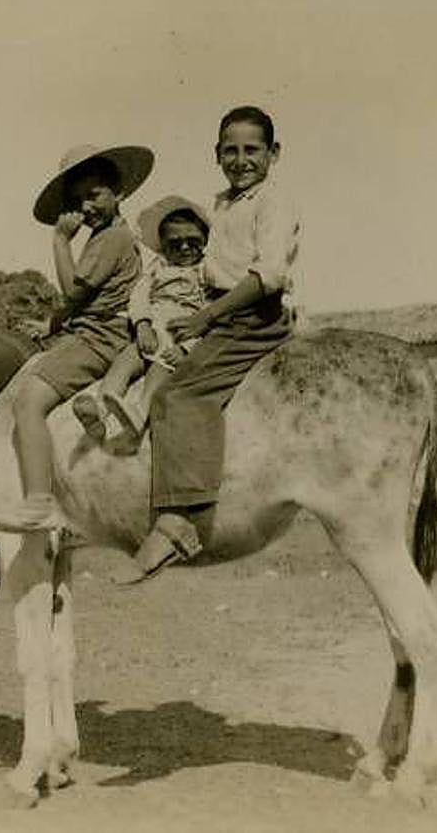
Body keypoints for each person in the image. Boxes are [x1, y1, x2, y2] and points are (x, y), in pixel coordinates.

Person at [130, 106, 301, 580]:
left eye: (252, 150)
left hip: (249, 315)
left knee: (179, 392)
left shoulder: (273, 201)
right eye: (231, 150)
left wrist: (207, 315)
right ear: (217, 155)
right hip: (222, 309)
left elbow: (268, 274)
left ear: (274, 153)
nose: (241, 159)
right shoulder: (222, 204)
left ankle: (181, 518)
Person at [10, 144, 154, 529]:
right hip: (95, 329)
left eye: (93, 195)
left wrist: (59, 241)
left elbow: (74, 291)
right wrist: (53, 326)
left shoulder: (112, 239)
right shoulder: (111, 235)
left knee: (27, 402)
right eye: (78, 200)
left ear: (119, 193)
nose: (86, 207)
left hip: (101, 338)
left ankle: (39, 498)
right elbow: (84, 301)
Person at [71, 195, 210, 455]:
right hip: (150, 330)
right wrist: (143, 324)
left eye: (193, 242)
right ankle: (100, 409)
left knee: (160, 370)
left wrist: (186, 348)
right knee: (124, 361)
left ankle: (140, 414)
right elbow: (139, 296)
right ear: (163, 247)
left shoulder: (206, 272)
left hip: (179, 335)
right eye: (174, 243)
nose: (184, 249)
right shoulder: (157, 268)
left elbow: (209, 315)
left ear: (204, 242)